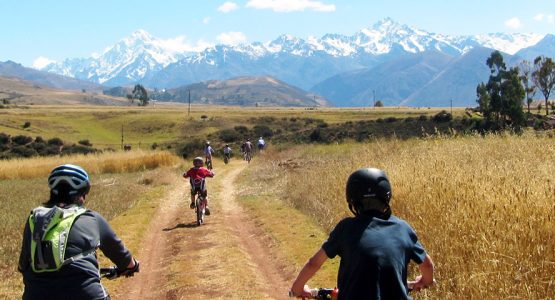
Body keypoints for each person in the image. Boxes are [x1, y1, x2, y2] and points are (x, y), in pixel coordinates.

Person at [290, 168, 434, 299]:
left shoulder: (345, 228)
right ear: (386, 197)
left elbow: (314, 263)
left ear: (353, 201)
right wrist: (425, 280)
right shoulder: (403, 228)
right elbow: (427, 265)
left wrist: (298, 288)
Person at [18, 164, 139, 300]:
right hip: (86, 294)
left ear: (52, 192)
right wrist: (132, 266)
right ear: (82, 194)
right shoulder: (91, 218)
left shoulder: (34, 219)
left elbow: (23, 264)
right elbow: (123, 257)